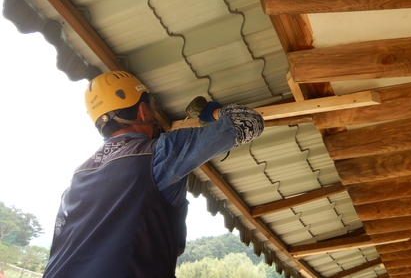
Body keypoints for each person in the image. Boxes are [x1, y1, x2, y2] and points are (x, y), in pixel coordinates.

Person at [43, 71, 264, 278]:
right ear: (143, 110)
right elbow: (249, 121)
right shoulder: (160, 152)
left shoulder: (78, 177)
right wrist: (213, 113)